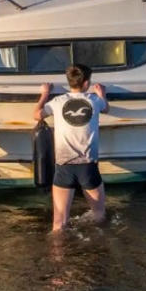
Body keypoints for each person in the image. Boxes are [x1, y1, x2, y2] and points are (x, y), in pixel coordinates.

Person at [34, 63, 109, 231]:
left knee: (59, 224)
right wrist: (102, 94)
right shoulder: (94, 101)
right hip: (88, 168)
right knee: (99, 215)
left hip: (64, 168)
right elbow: (107, 108)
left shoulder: (57, 102)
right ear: (86, 83)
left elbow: (36, 115)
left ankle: (57, 256)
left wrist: (45, 93)